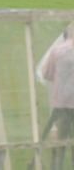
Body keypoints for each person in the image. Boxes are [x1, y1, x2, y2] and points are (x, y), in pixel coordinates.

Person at [41, 23, 74, 170]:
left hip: (61, 104)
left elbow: (46, 74)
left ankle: (58, 166)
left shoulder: (57, 51)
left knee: (61, 140)